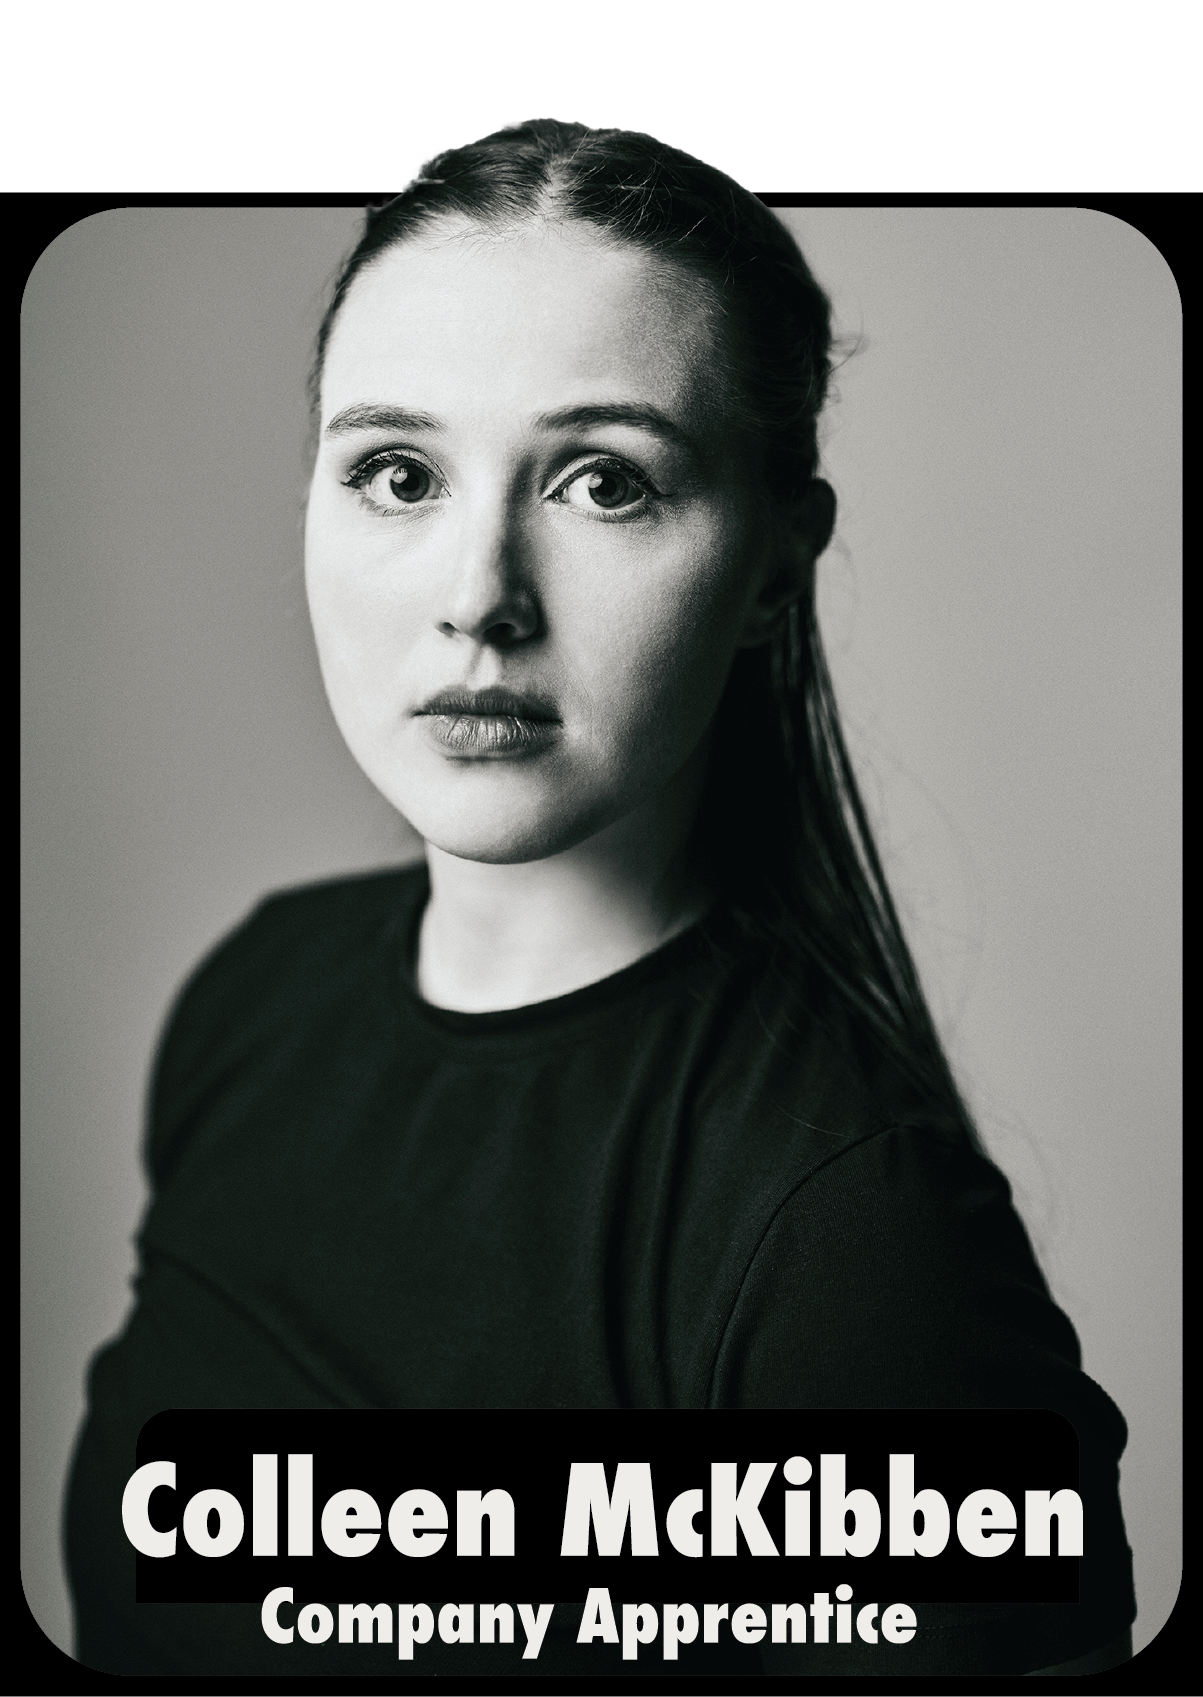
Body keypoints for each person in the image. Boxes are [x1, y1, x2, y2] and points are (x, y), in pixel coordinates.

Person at [65, 120, 1135, 1675]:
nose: (475, 595)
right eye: (395, 472)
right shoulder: (249, 1005)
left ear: (775, 565)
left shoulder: (845, 1245)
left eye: (601, 483)